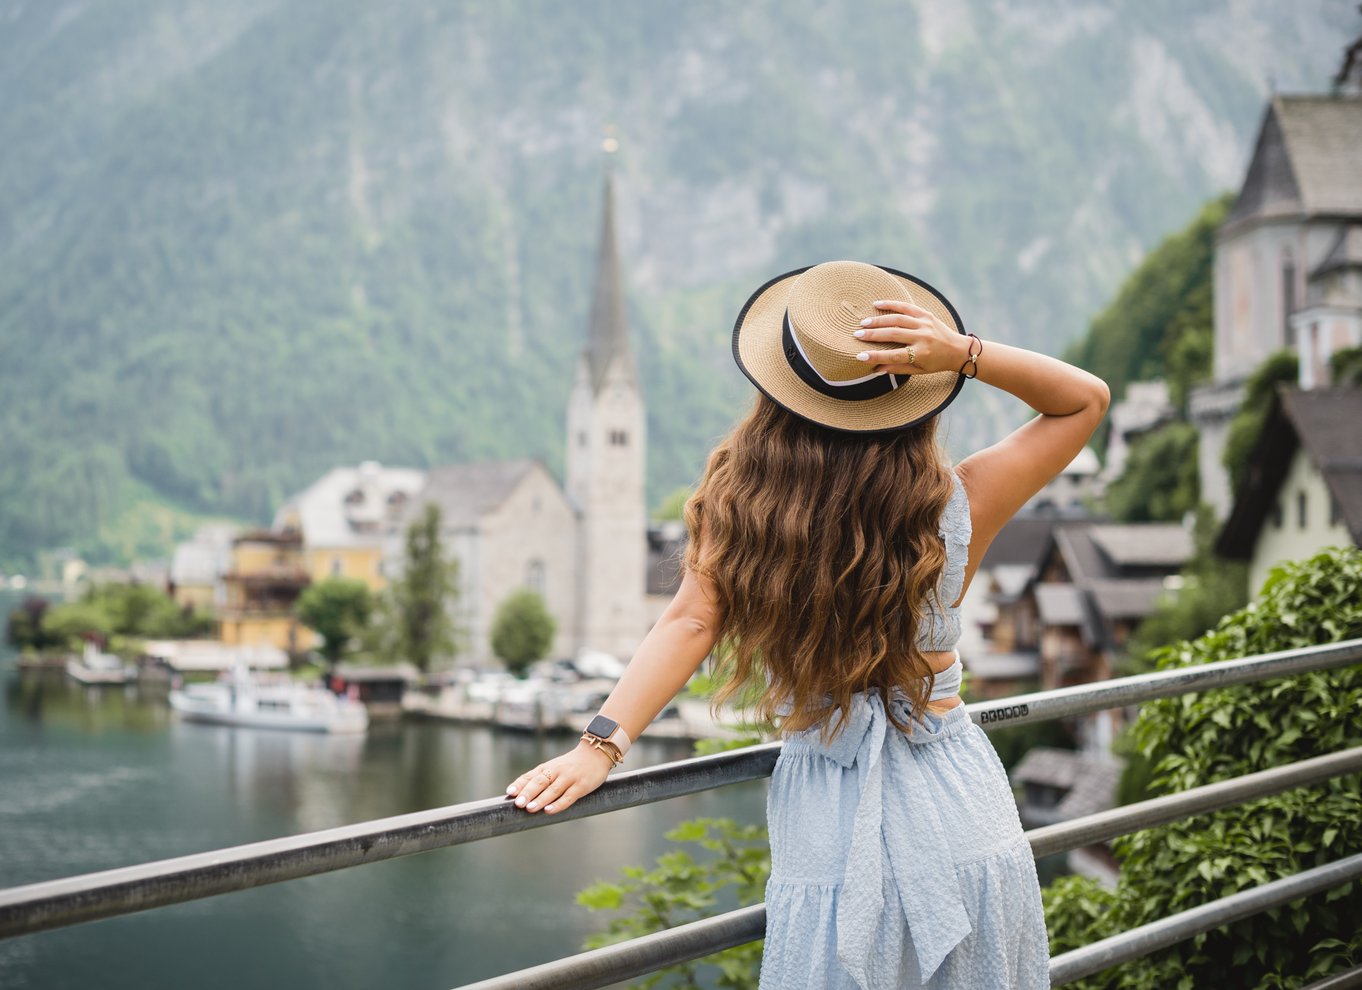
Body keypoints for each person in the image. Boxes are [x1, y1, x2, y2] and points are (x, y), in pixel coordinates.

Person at [505, 260, 1109, 989]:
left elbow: (690, 623)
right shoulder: (959, 501)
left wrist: (600, 746)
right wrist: (965, 353)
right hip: (958, 800)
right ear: (912, 394)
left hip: (830, 798)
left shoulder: (744, 510)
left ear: (776, 391)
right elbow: (1083, 401)